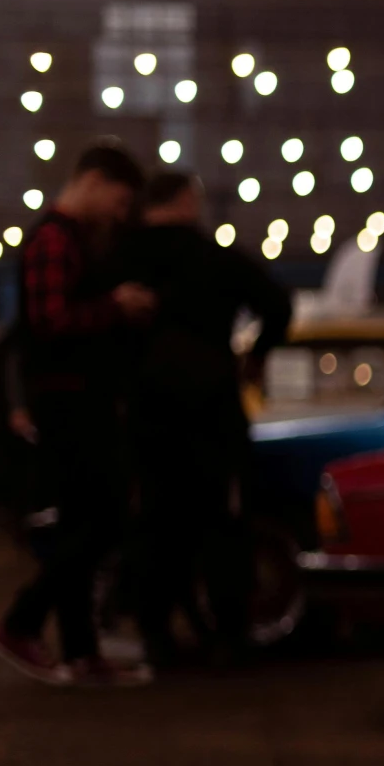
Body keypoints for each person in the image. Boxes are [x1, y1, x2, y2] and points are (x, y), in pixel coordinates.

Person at [0, 143, 153, 687]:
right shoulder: (56, 239)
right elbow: (49, 320)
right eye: (120, 200)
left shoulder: (64, 238)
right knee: (103, 521)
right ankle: (21, 621)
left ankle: (81, 653)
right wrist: (116, 306)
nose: (119, 214)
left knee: (83, 524)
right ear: (96, 181)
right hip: (72, 404)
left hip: (71, 401)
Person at [119, 172, 291, 666]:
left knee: (155, 525)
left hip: (146, 412)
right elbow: (278, 304)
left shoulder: (122, 261)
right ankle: (229, 636)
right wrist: (254, 357)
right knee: (223, 523)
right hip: (213, 410)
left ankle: (157, 637)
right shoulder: (216, 260)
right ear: (188, 201)